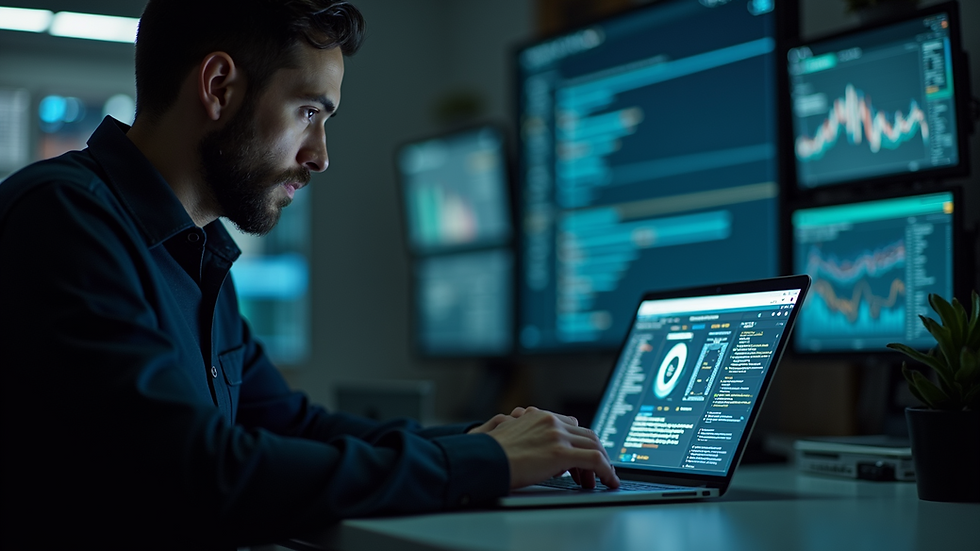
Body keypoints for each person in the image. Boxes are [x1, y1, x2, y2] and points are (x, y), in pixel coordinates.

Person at [0, 1, 618, 548]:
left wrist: (485, 439)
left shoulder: (198, 253)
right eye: (308, 112)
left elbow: (293, 426)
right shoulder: (62, 219)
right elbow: (198, 473)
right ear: (218, 86)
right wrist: (480, 461)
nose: (320, 155)